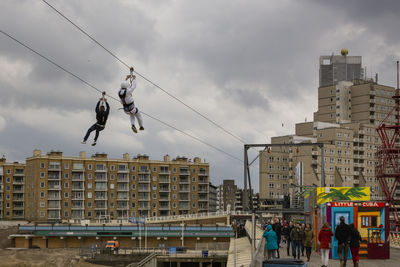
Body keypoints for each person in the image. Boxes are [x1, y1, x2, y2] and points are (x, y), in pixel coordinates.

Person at [118, 67, 144, 133]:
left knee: (132, 114)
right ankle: (141, 126)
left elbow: (123, 85)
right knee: (138, 114)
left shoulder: (119, 92)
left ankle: (133, 125)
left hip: (126, 110)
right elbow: (133, 86)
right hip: (132, 108)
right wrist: (134, 79)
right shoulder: (128, 91)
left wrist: (126, 78)